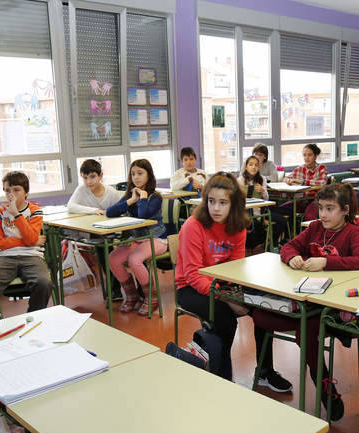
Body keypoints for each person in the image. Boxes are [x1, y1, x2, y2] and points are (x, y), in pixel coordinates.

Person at [252, 184, 359, 419]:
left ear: (345, 210)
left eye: (330, 209)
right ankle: (265, 369)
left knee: (305, 333)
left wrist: (327, 263)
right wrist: (293, 257)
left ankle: (327, 389)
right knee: (260, 315)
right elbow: (287, 246)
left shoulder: (353, 232)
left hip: (333, 307)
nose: (323, 214)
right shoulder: (315, 228)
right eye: (320, 208)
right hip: (306, 300)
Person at [172, 173, 249, 381]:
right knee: (225, 318)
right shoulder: (193, 225)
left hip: (222, 286)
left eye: (223, 203)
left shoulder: (238, 227)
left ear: (234, 204)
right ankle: (222, 377)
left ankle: (264, 371)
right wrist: (225, 298)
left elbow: (235, 269)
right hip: (189, 288)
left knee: (263, 312)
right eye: (211, 201)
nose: (215, 208)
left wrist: (233, 294)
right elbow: (192, 274)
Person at [0, 171, 52, 315]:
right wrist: (30, 241)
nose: (11, 195)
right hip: (5, 257)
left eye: (16, 190)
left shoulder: (35, 211)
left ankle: (35, 316)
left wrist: (16, 214)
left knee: (43, 283)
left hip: (32, 256)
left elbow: (29, 240)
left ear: (26, 192)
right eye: (7, 190)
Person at [106, 159, 168, 316]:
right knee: (113, 258)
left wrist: (142, 198)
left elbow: (143, 215)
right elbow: (110, 212)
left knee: (135, 259)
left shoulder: (155, 197)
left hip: (157, 239)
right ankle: (132, 296)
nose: (136, 177)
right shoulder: (130, 194)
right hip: (136, 239)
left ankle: (151, 298)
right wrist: (131, 200)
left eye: (140, 173)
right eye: (133, 174)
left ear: (149, 175)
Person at [68, 158, 122, 301]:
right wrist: (94, 210)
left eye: (92, 177)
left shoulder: (112, 193)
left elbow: (120, 215)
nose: (88, 182)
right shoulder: (81, 189)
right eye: (85, 178)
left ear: (101, 176)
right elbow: (71, 206)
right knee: (102, 248)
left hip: (111, 232)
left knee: (105, 249)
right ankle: (113, 289)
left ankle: (115, 289)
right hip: (91, 231)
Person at [237, 155, 270, 251]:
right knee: (249, 223)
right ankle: (249, 248)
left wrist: (263, 190)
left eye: (256, 165)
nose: (253, 167)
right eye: (251, 165)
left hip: (258, 211)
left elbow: (267, 198)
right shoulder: (241, 180)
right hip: (245, 211)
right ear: (246, 167)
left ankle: (259, 248)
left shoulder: (262, 179)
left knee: (258, 224)